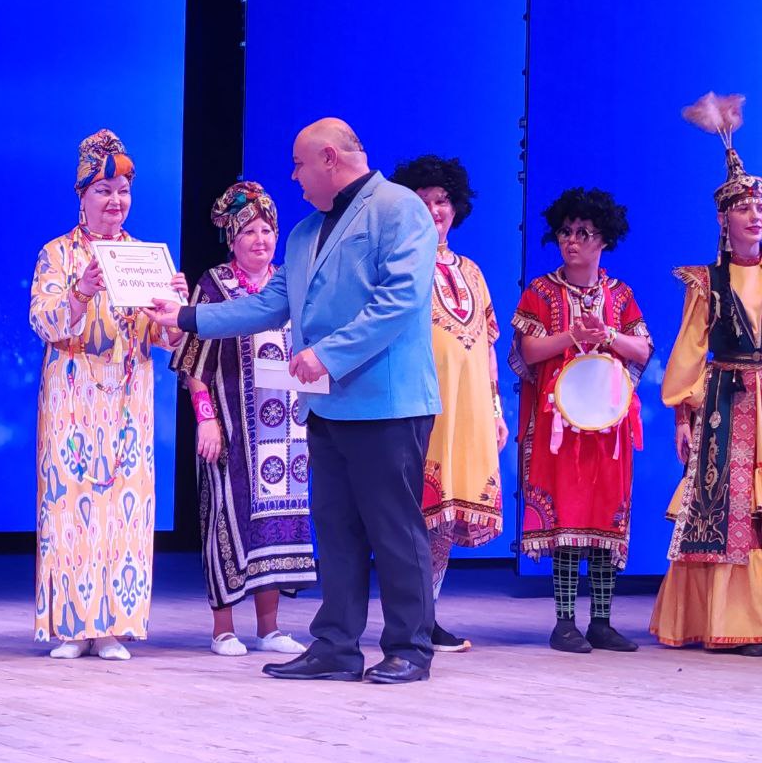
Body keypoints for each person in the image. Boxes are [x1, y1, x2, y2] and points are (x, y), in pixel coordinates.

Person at [150, 117, 440, 685]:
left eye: (299, 164)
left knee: (393, 528)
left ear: (329, 157)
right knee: (335, 529)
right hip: (327, 406)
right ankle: (336, 645)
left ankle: (409, 647)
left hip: (387, 403)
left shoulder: (399, 208)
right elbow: (267, 305)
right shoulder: (306, 232)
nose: (294, 176)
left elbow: (400, 299)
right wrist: (185, 316)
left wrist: (328, 354)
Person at [29, 129, 188, 660]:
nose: (115, 201)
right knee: (69, 507)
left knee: (125, 507)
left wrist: (176, 312)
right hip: (72, 398)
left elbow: (165, 339)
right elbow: (44, 321)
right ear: (82, 195)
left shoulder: (144, 257)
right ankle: (72, 627)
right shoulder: (57, 254)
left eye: (122, 191)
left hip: (127, 398)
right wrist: (82, 290)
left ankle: (113, 627)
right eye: (103, 190)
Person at [172, 181, 316, 657]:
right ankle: (223, 629)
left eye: (267, 230)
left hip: (288, 434)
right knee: (225, 518)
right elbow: (194, 364)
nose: (260, 239)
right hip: (232, 427)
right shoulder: (215, 285)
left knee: (277, 524)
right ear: (232, 239)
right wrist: (206, 419)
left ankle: (269, 628)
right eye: (249, 231)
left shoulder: (290, 285)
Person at [510, 188, 651, 654]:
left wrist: (607, 334)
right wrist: (570, 335)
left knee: (606, 518)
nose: (572, 241)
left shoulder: (620, 295)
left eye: (584, 233)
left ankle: (602, 622)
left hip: (607, 430)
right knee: (567, 518)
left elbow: (642, 349)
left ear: (604, 240)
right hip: (559, 429)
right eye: (566, 232)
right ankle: (565, 622)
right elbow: (529, 351)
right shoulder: (540, 291)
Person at [651, 91, 762, 655]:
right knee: (726, 509)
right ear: (724, 218)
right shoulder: (707, 284)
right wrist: (682, 416)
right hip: (727, 401)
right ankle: (728, 619)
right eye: (744, 208)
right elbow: (690, 352)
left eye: (759, 207)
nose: (755, 215)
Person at [389, 156, 506, 653]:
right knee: (413, 511)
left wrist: (496, 410)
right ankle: (409, 616)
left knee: (443, 517)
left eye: (442, 201)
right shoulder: (397, 265)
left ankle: (428, 615)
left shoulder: (472, 272)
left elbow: (488, 346)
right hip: (417, 404)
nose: (434, 210)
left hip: (468, 408)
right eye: (423, 201)